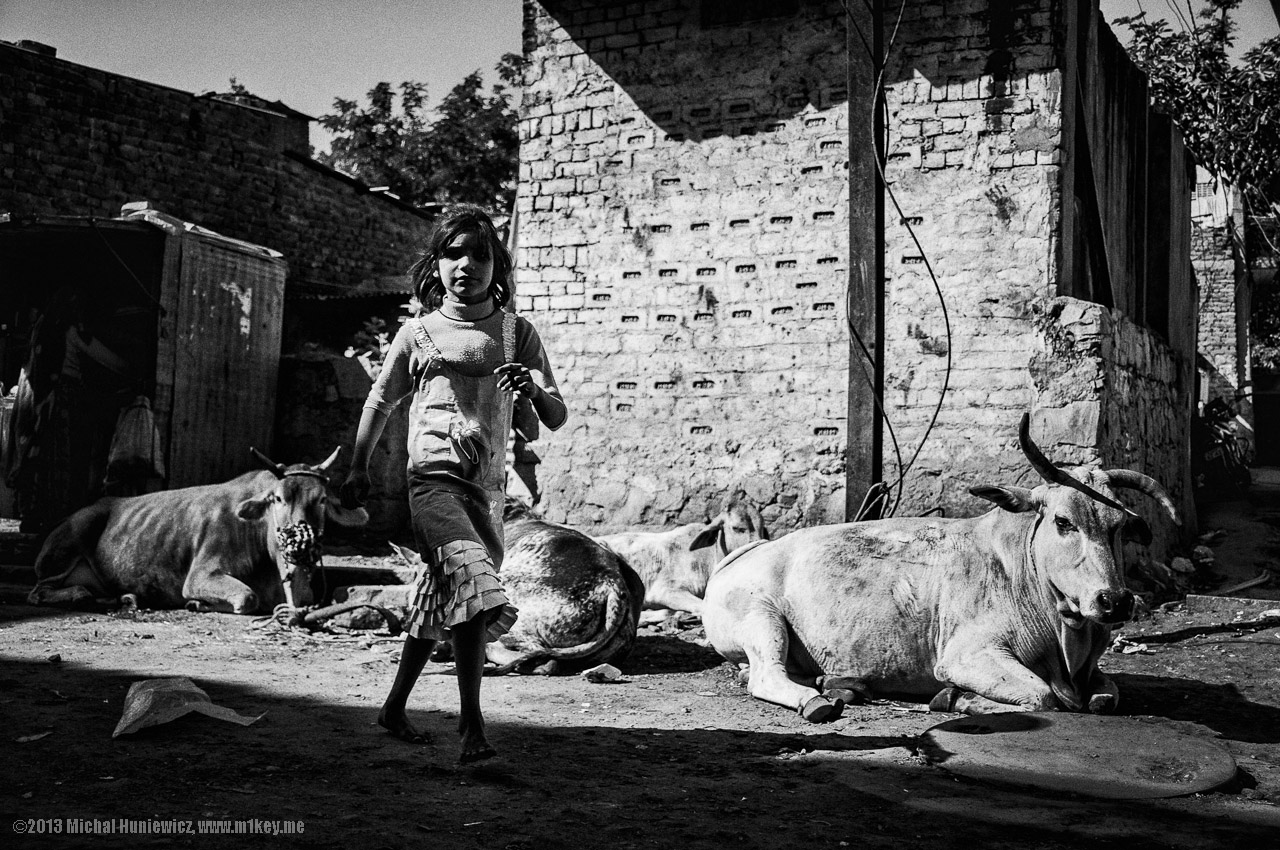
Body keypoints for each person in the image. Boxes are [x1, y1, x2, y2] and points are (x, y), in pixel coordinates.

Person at [341, 205, 567, 763]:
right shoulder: (417, 334)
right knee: (471, 587)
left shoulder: (518, 336)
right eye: (453, 253)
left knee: (440, 599)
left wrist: (533, 393)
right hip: (431, 484)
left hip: (485, 493)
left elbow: (556, 415)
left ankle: (394, 708)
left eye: (480, 254)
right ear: (436, 263)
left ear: (498, 264)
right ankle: (472, 725)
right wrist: (357, 466)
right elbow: (381, 401)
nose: (467, 264)